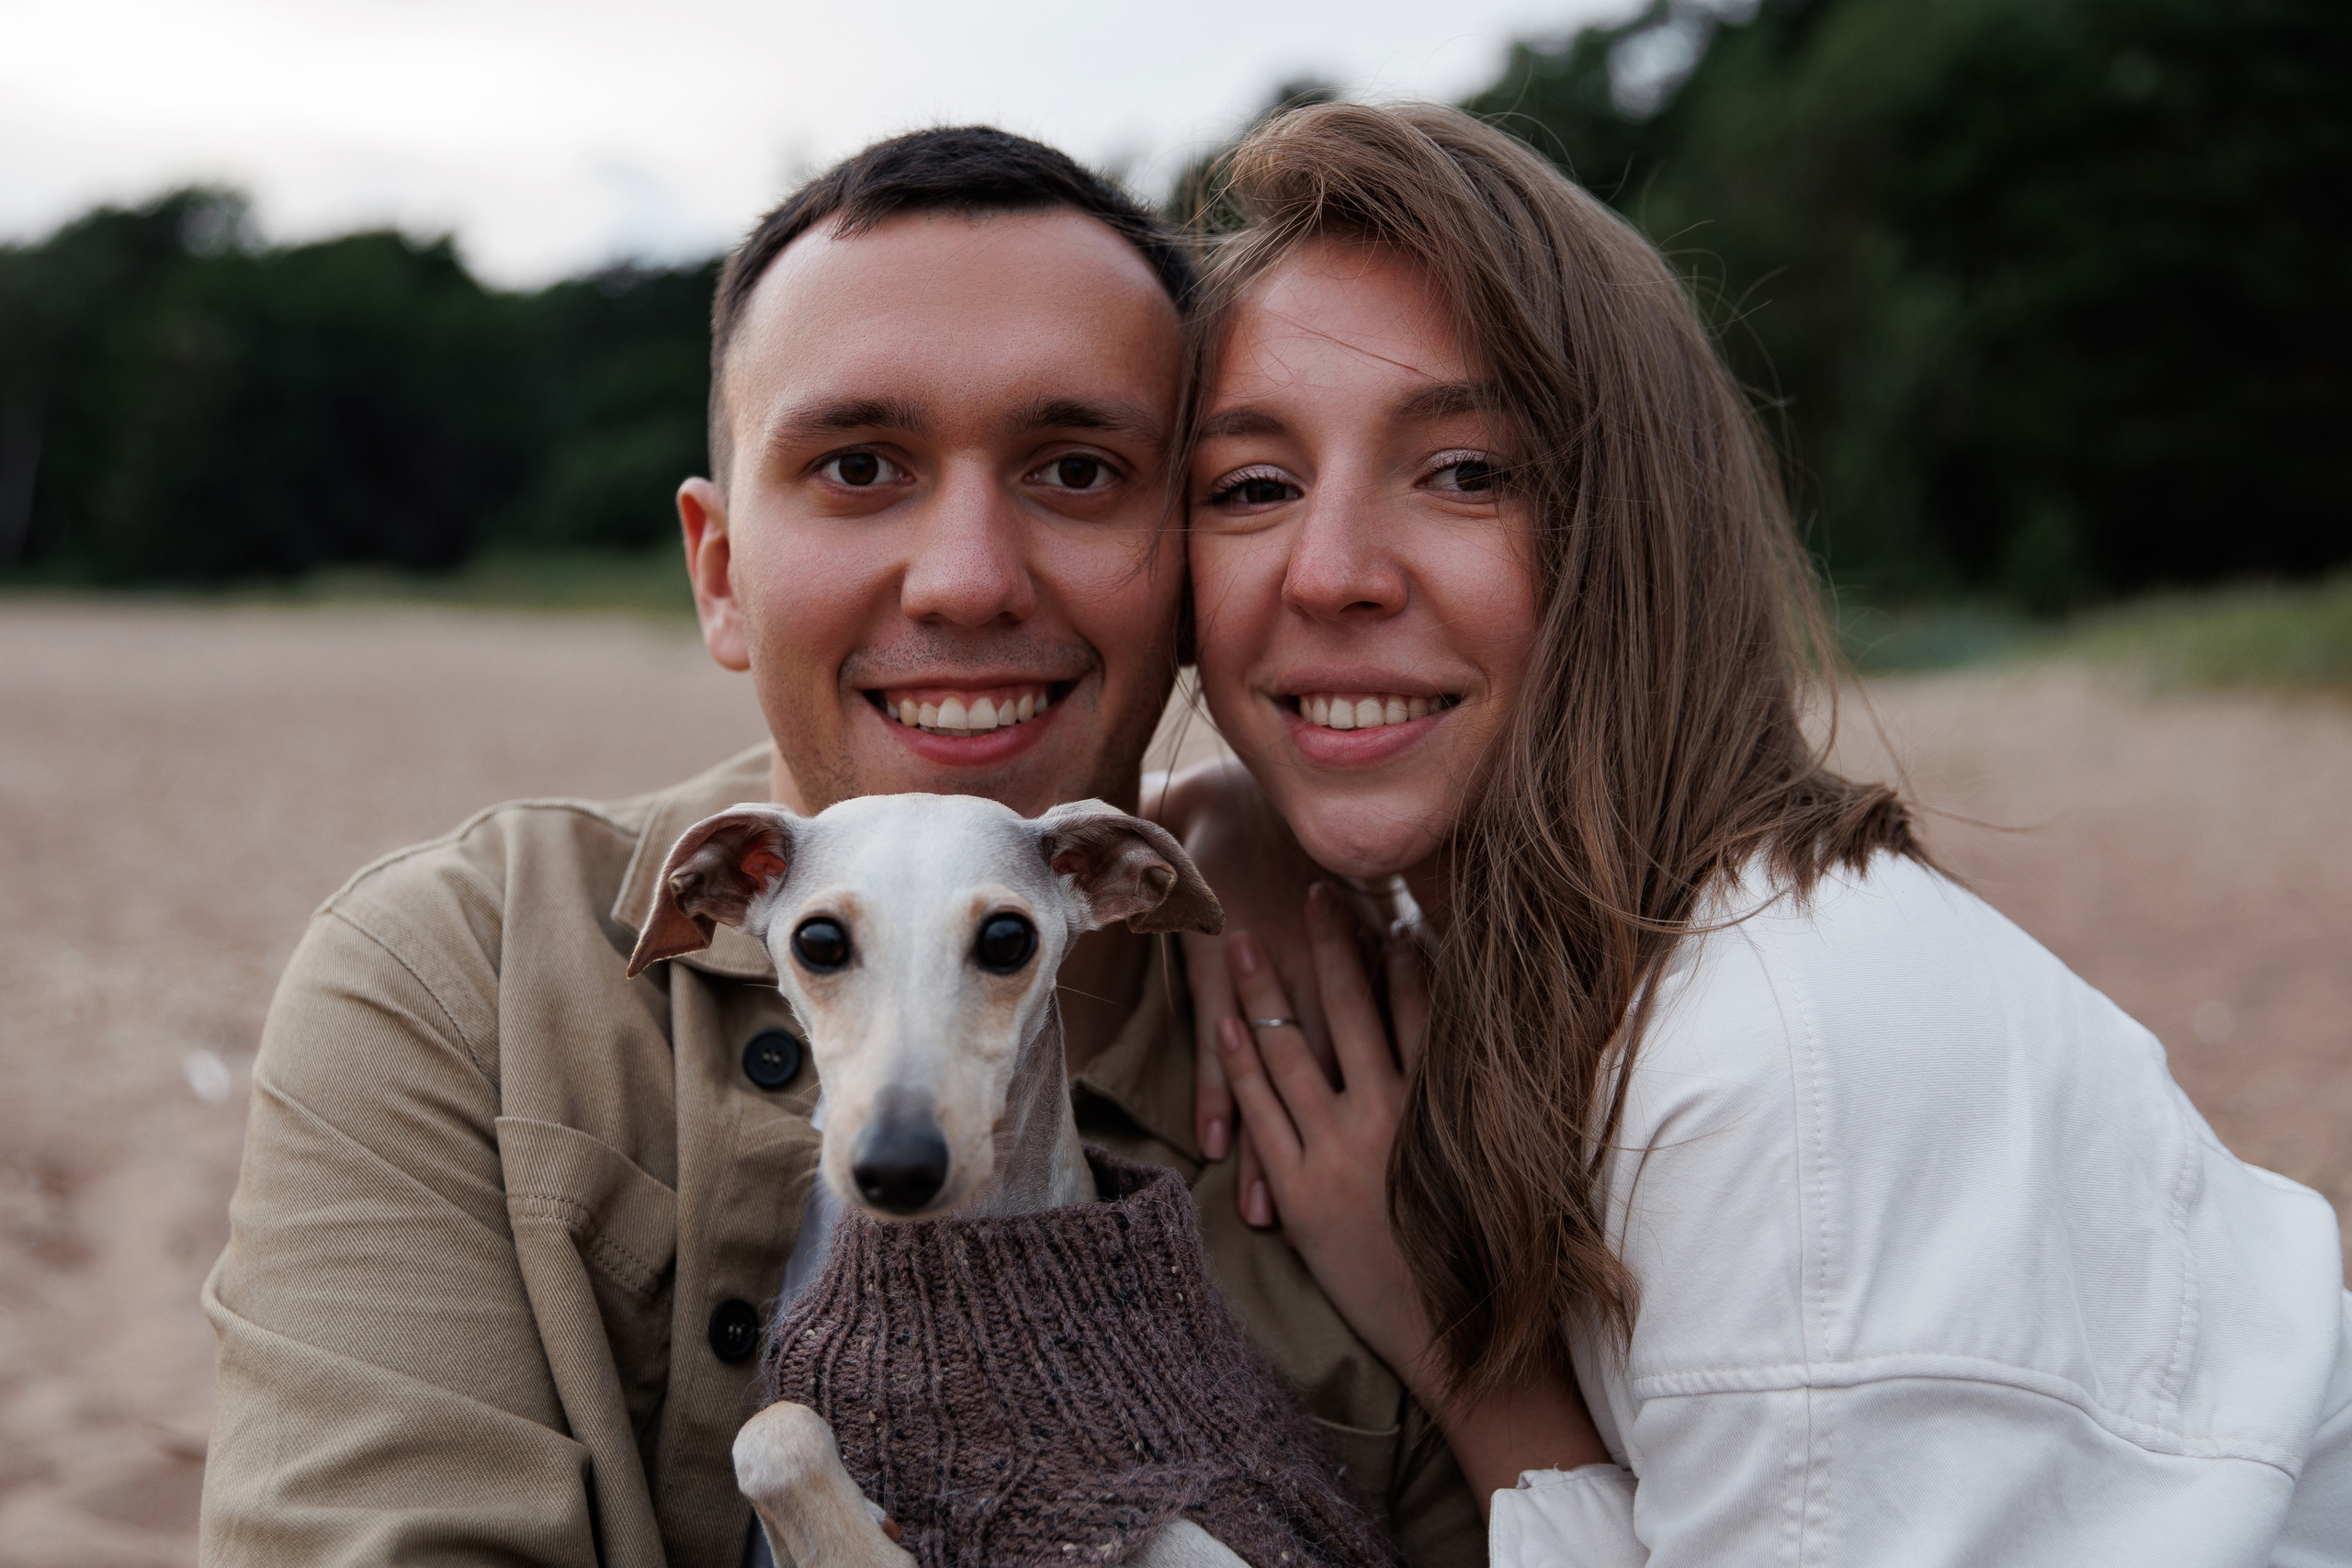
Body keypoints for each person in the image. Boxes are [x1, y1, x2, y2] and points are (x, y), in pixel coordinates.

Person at [198, 127, 1487, 1566]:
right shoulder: (455, 983)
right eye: (860, 464)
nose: (966, 581)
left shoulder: (1395, 1049)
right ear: (721, 571)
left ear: (1191, 562)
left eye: (1075, 469)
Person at [1171, 101, 2352, 1565]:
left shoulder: (1784, 1062)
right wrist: (1228, 830)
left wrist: (1465, 1351)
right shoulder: (1560, 944)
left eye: (1469, 471)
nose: (1331, 570)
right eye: (1252, 488)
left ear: (1634, 527)